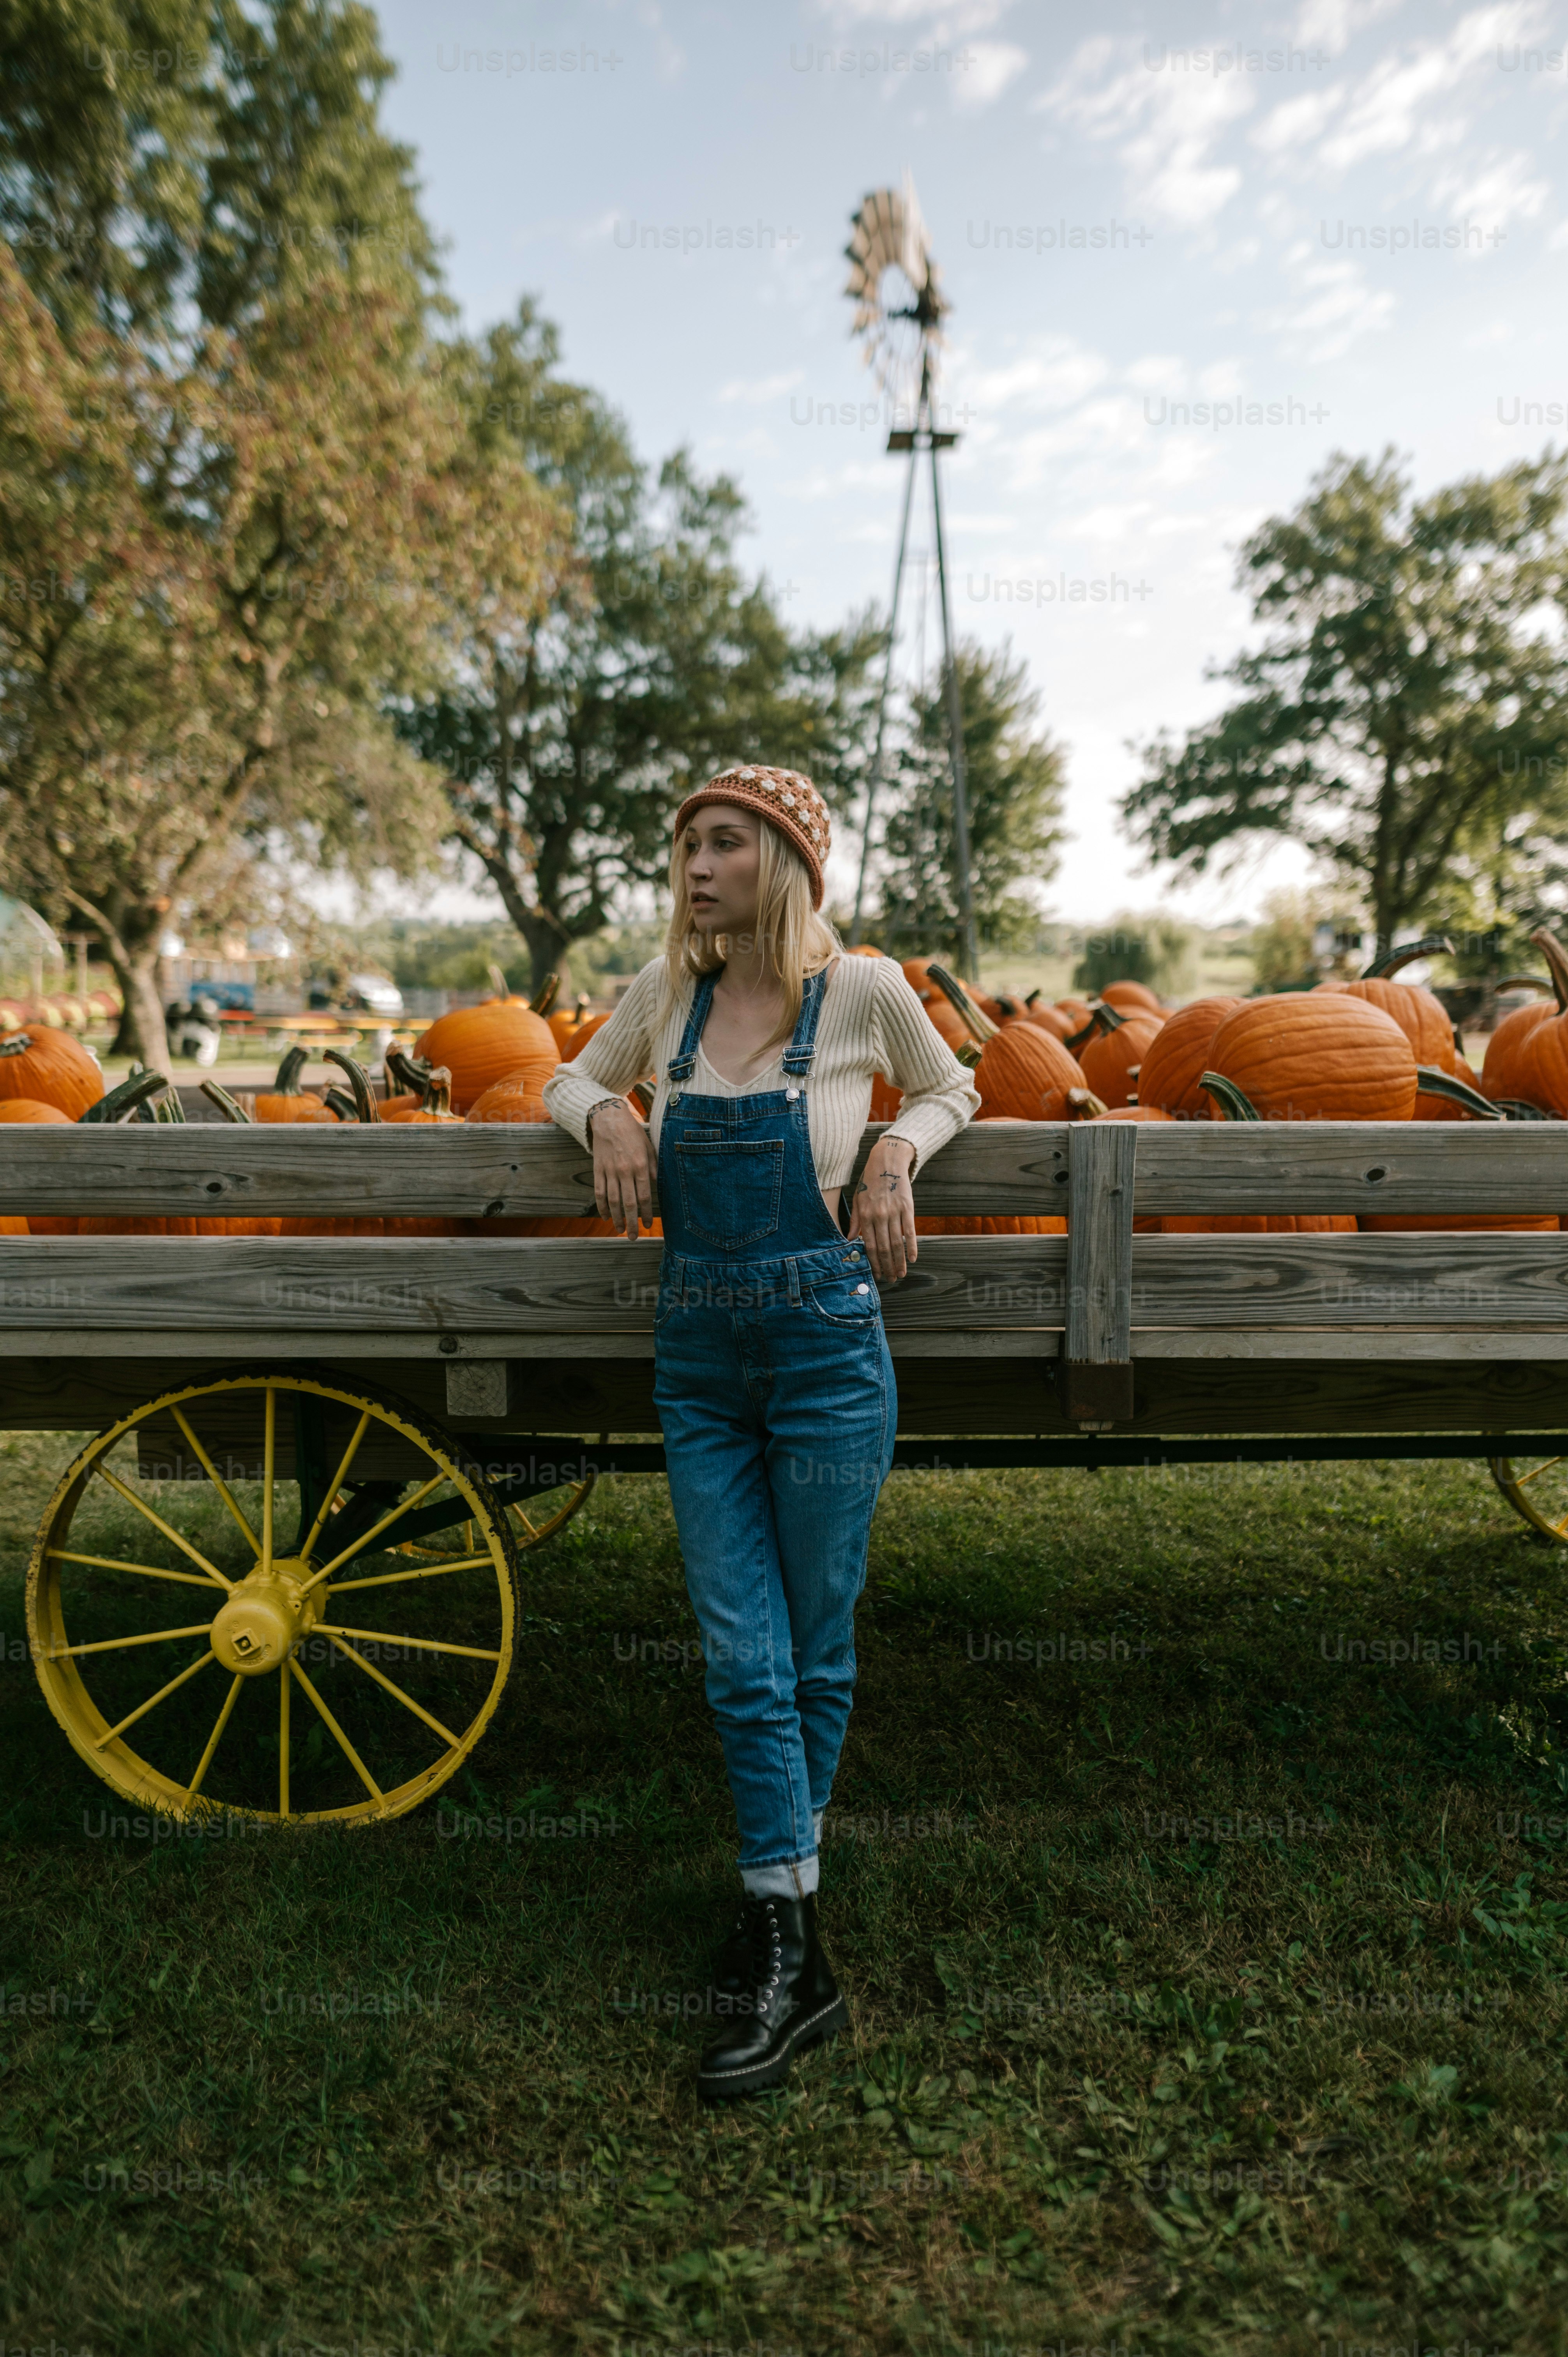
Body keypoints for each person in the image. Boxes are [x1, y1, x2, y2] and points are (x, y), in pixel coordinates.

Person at [543, 763, 978, 2100]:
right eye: (685, 844)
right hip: (700, 1361)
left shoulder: (864, 992)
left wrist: (901, 1150)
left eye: (722, 842)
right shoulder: (666, 996)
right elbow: (560, 1080)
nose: (694, 865)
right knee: (745, 1653)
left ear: (785, 862)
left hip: (828, 1352)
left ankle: (781, 1917)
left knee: (814, 1638)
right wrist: (612, 1111)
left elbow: (956, 1087)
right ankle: (796, 1940)